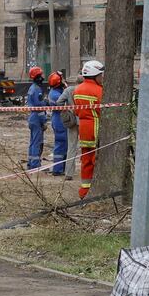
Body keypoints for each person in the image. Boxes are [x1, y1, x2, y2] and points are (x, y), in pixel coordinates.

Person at [74, 60, 105, 199]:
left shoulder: (77, 89)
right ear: (95, 75)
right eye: (101, 75)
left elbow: (76, 111)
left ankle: (84, 190)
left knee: (85, 160)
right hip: (95, 128)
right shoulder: (99, 91)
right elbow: (103, 111)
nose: (102, 78)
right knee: (96, 159)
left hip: (83, 130)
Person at [57, 77, 82, 180]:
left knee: (71, 147)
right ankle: (87, 171)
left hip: (72, 121)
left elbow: (59, 102)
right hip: (84, 120)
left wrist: (66, 112)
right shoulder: (85, 90)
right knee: (87, 147)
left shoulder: (69, 90)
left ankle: (69, 173)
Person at [26, 66, 48, 170]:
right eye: (41, 75)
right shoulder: (37, 89)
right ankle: (35, 164)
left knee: (32, 141)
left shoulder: (32, 88)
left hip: (32, 117)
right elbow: (39, 107)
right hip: (37, 118)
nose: (43, 77)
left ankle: (31, 162)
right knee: (37, 142)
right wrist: (44, 121)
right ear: (38, 77)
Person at [47, 71, 67, 176]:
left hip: (59, 119)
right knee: (60, 145)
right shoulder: (56, 95)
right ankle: (58, 169)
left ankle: (62, 167)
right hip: (59, 121)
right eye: (62, 79)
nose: (64, 80)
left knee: (63, 145)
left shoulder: (55, 92)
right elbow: (65, 104)